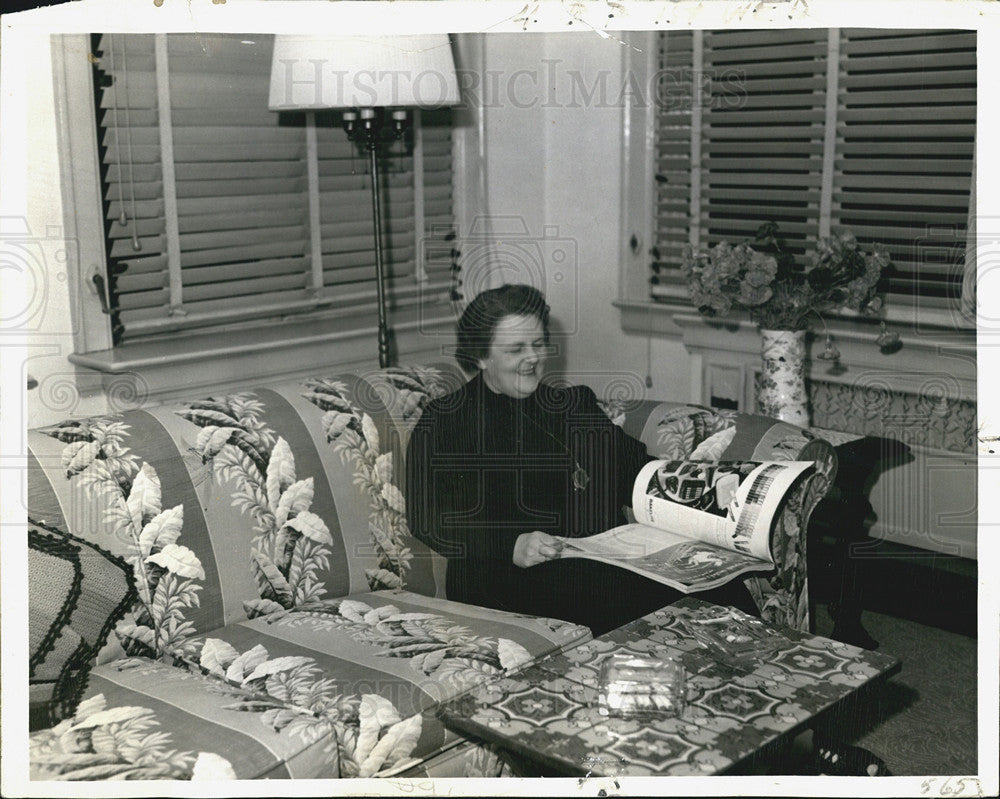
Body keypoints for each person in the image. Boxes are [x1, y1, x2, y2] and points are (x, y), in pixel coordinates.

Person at [405, 284, 758, 636]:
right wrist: (510, 543)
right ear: (480, 356)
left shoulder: (574, 407)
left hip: (598, 560)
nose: (533, 357)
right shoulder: (447, 421)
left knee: (716, 585)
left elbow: (631, 469)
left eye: (539, 344)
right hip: (502, 574)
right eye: (515, 349)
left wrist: (689, 480)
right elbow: (428, 516)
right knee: (638, 598)